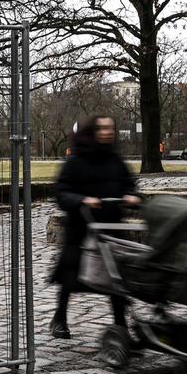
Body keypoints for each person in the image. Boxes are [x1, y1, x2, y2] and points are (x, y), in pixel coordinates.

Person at [49, 115, 140, 339]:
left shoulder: (116, 161)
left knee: (116, 279)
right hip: (82, 229)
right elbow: (62, 192)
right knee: (71, 276)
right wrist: (81, 200)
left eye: (111, 128)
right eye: (102, 128)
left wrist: (132, 197)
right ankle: (60, 317)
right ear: (93, 131)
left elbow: (130, 185)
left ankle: (121, 325)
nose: (108, 132)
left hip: (111, 228)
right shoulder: (75, 162)